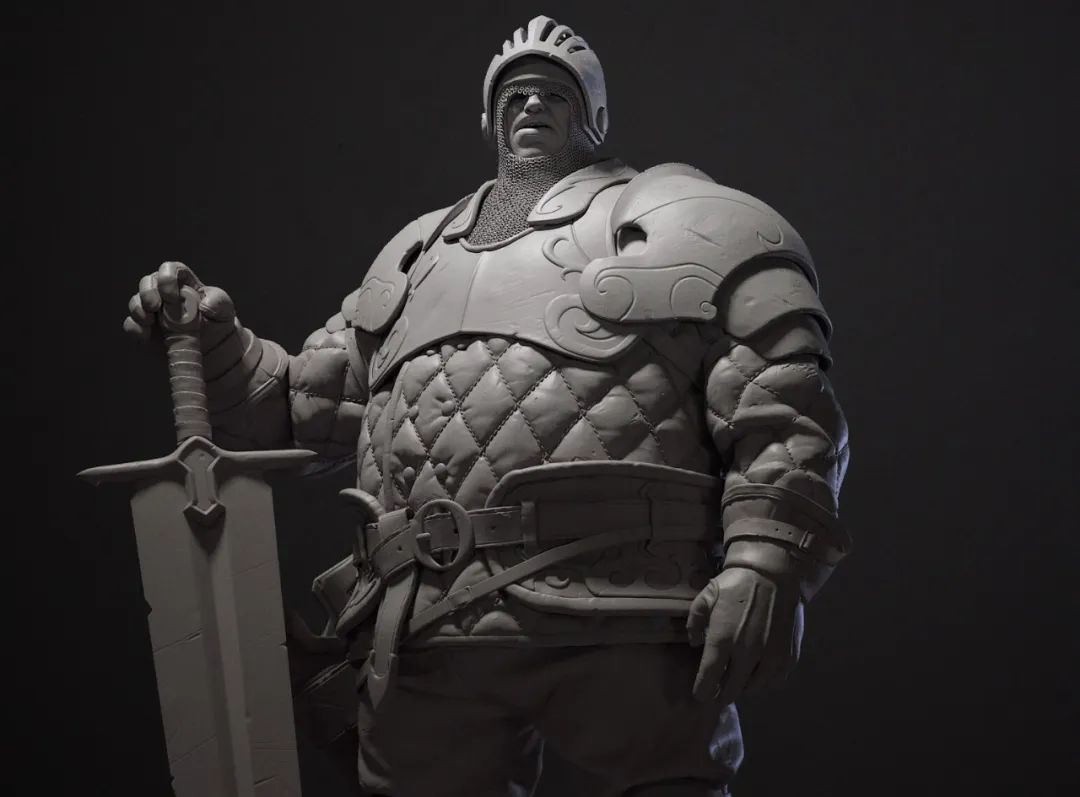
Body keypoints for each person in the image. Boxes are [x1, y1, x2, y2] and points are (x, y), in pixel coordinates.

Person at [124, 15, 851, 797]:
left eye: (554, 95)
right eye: (515, 96)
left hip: (624, 611)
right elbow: (301, 406)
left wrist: (766, 559)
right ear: (488, 120)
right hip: (425, 630)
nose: (532, 105)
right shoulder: (415, 258)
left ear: (594, 116)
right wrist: (215, 344)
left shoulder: (680, 220)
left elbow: (781, 396)